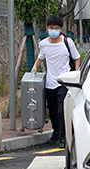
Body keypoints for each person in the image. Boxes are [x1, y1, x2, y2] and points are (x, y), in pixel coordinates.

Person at [30, 16, 81, 148]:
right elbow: (41, 56)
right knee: (52, 110)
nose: (53, 30)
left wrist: (76, 74)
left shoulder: (67, 42)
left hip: (65, 81)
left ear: (61, 29)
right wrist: (35, 65)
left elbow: (77, 58)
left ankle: (65, 137)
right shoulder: (43, 43)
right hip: (50, 82)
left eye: (56, 28)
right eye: (51, 28)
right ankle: (56, 133)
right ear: (47, 29)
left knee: (61, 110)